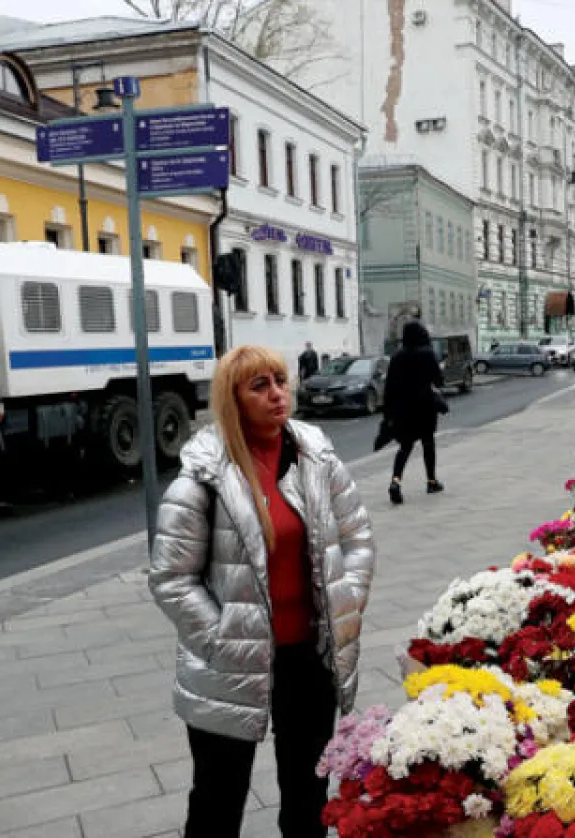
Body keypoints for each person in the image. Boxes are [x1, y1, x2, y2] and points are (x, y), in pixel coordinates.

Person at [149, 345, 376, 838]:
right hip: (230, 662)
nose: (277, 394)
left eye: (280, 380)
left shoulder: (318, 458)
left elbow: (357, 538)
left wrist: (347, 604)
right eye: (260, 386)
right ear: (234, 400)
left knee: (308, 794)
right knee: (218, 799)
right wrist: (222, 637)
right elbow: (171, 578)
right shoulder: (202, 477)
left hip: (310, 657)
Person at [383, 321, 445, 505]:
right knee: (428, 444)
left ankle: (396, 481)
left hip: (403, 408)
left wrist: (389, 413)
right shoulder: (427, 353)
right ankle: (431, 481)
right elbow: (439, 381)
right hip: (425, 406)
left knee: (405, 447)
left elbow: (389, 387)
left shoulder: (397, 356)